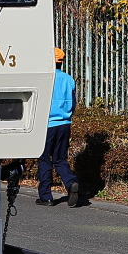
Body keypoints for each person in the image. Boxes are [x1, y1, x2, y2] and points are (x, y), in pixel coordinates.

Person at [37, 47, 79, 207]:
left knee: (44, 158)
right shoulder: (69, 79)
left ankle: (46, 196)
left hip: (47, 125)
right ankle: (71, 182)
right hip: (65, 124)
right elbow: (73, 103)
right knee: (60, 159)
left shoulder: (45, 79)